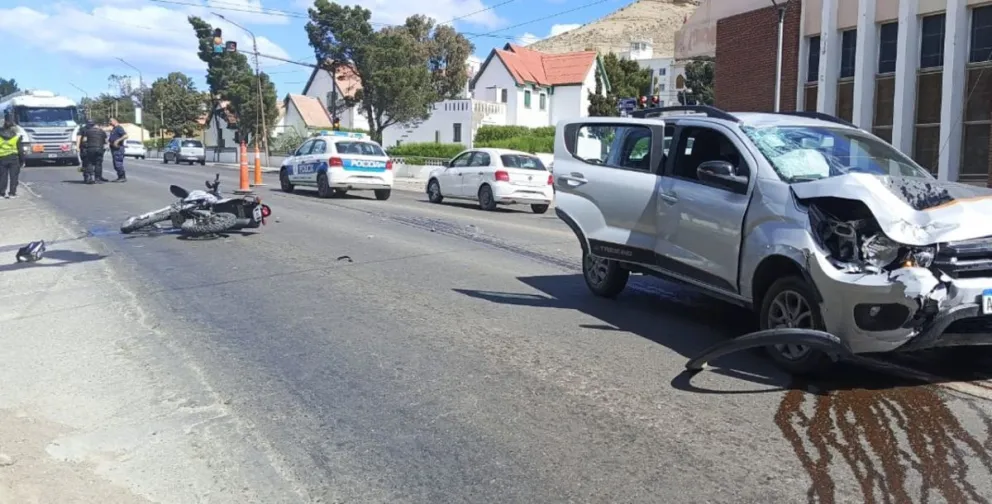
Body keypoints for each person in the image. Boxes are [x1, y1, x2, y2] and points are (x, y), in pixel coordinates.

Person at [0, 114, 24, 199]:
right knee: (14, 176)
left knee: (2, 176)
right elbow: (20, 150)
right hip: (14, 158)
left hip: (2, 158)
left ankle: (2, 193)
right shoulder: (17, 135)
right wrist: (22, 160)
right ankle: (12, 193)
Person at [77, 120, 108, 184]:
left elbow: (83, 140)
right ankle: (98, 178)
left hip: (89, 149)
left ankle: (89, 177)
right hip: (99, 149)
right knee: (98, 164)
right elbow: (106, 141)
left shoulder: (86, 131)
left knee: (89, 163)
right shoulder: (102, 131)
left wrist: (78, 146)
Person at [107, 117, 128, 182]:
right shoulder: (114, 129)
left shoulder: (119, 128)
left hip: (118, 149)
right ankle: (120, 177)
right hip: (114, 149)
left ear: (115, 121)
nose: (109, 122)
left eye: (111, 121)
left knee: (118, 163)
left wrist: (117, 141)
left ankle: (122, 177)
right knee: (115, 164)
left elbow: (125, 136)